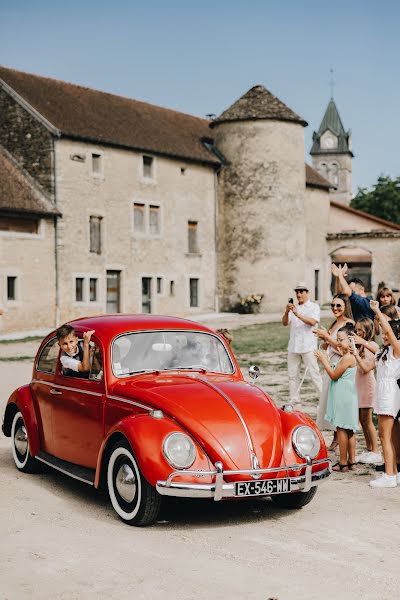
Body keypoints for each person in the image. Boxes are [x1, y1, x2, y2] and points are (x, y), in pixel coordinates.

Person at [358, 301, 400, 488]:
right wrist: (355, 351)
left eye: (388, 334)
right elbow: (366, 367)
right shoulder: (383, 352)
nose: (384, 336)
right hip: (382, 394)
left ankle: (389, 475)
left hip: (390, 395)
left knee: (385, 436)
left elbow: (390, 331)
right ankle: (394, 472)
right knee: (388, 436)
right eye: (382, 333)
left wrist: (376, 311)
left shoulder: (397, 352)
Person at [315, 324, 358, 471]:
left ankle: (343, 462)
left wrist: (323, 360)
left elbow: (334, 376)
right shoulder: (348, 356)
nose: (338, 342)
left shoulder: (347, 358)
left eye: (341, 340)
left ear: (350, 339)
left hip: (343, 397)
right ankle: (352, 462)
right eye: (337, 339)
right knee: (349, 430)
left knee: (341, 428)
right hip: (348, 396)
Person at [313, 294, 354, 450]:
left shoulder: (349, 323)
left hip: (341, 366)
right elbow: (332, 344)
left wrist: (326, 336)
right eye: (333, 305)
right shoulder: (335, 322)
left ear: (345, 306)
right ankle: (336, 437)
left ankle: (339, 439)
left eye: (338, 305)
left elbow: (344, 347)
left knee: (337, 402)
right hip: (330, 364)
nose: (335, 308)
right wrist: (325, 343)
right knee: (330, 402)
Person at [282, 283, 322, 405]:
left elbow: (312, 322)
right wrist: (286, 311)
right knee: (292, 374)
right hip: (293, 346)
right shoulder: (293, 307)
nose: (299, 294)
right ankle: (294, 398)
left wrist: (297, 314)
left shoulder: (314, 307)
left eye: (301, 292)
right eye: (297, 292)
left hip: (308, 346)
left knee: (314, 373)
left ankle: (323, 397)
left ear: (307, 292)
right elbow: (285, 323)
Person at [350, 318, 381, 464]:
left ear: (367, 331)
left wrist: (361, 345)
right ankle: (369, 449)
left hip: (367, 387)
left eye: (360, 330)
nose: (357, 332)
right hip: (358, 386)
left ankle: (375, 450)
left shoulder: (371, 345)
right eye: (356, 329)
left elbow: (366, 367)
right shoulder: (357, 346)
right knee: (362, 420)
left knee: (367, 420)